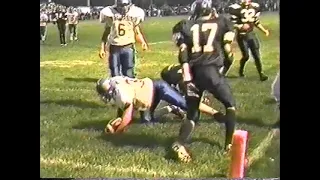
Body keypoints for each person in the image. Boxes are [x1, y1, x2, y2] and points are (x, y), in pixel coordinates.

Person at [170, 0, 237, 163]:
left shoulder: (184, 25)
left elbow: (183, 51)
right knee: (230, 104)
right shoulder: (223, 22)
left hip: (192, 74)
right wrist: (222, 71)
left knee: (192, 113)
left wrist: (186, 73)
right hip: (211, 72)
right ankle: (229, 144)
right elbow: (228, 52)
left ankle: (180, 142)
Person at [95, 76, 225, 133]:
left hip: (157, 88)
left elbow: (127, 116)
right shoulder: (115, 81)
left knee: (185, 103)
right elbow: (124, 109)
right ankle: (171, 108)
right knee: (147, 122)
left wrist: (117, 132)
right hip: (145, 94)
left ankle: (215, 113)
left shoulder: (120, 94)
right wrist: (119, 120)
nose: (106, 97)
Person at [99, 0, 148, 78]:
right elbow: (106, 33)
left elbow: (137, 31)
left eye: (124, 5)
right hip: (115, 46)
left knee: (129, 72)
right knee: (114, 73)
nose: (123, 8)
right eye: (121, 5)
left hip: (128, 46)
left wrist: (143, 42)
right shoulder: (111, 16)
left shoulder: (133, 16)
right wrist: (102, 48)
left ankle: (129, 88)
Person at [228, 0, 269, 81]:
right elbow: (232, 23)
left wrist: (264, 30)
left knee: (256, 55)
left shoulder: (254, 7)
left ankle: (261, 74)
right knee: (246, 56)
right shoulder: (236, 8)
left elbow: (256, 22)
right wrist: (240, 26)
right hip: (241, 36)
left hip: (251, 34)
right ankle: (241, 70)